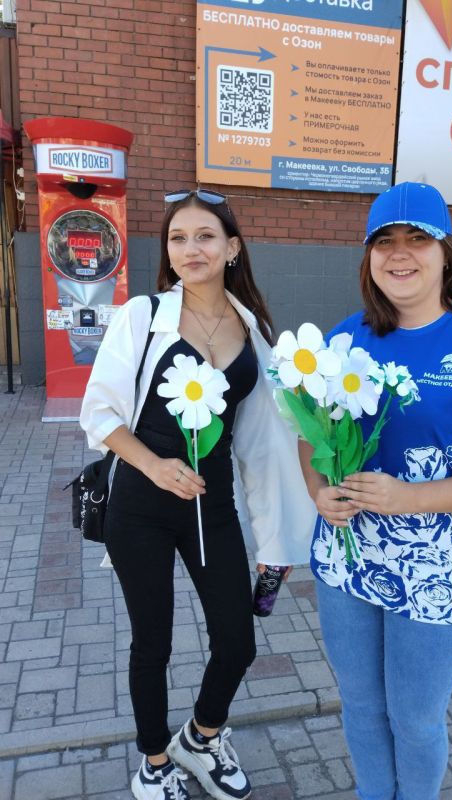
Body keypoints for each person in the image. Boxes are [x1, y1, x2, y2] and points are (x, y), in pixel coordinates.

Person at [297, 182, 452, 800]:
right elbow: (308, 433)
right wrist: (317, 489)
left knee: (413, 719)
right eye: (385, 241)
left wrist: (410, 498)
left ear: (445, 254)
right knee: (359, 705)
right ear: (368, 255)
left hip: (439, 571)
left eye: (417, 238)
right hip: (348, 561)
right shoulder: (345, 337)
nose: (400, 253)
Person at [80, 188, 315, 800]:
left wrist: (276, 536)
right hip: (141, 502)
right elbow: (98, 414)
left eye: (206, 236)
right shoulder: (143, 315)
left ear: (232, 247)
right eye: (178, 238)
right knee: (152, 640)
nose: (191, 248)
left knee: (237, 639)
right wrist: (154, 466)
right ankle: (155, 760)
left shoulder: (256, 332)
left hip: (211, 508)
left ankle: (201, 738)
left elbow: (263, 445)